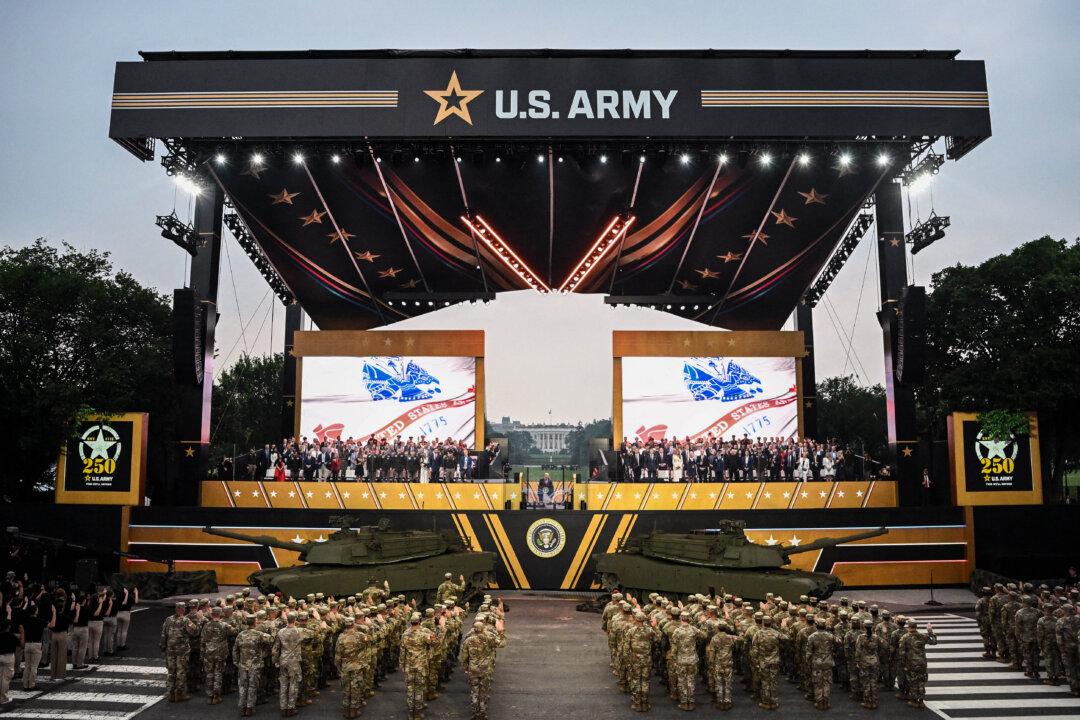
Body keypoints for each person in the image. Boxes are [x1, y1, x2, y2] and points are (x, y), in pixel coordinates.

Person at [272, 611, 311, 717]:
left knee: (283, 685)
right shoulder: (299, 631)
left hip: (283, 661)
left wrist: (275, 661)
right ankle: (291, 707)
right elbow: (313, 635)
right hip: (294, 662)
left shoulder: (280, 632)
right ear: (295, 620)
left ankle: (283, 707)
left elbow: (275, 650)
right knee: (293, 684)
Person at [400, 611, 437, 720]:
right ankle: (418, 713)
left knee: (411, 689)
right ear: (420, 622)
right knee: (420, 688)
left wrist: (402, 664)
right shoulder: (424, 634)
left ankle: (411, 712)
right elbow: (435, 643)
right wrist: (433, 635)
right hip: (421, 665)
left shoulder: (405, 634)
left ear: (410, 622)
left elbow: (402, 651)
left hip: (409, 666)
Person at [234, 613, 271, 717]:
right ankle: (250, 708)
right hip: (255, 665)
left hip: (242, 665)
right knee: (252, 686)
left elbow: (235, 649)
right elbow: (271, 639)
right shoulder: (259, 634)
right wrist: (264, 653)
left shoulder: (240, 635)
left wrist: (237, 662)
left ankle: (242, 707)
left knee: (242, 687)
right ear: (255, 622)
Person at [161, 601, 197, 702]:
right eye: (184, 608)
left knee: (171, 671)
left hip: (170, 650)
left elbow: (163, 635)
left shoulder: (168, 619)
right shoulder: (186, 620)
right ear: (182, 609)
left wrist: (163, 646)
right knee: (181, 672)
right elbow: (194, 632)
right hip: (182, 651)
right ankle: (179, 694)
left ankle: (171, 693)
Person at [898, 619, 935, 708]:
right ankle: (921, 701)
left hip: (911, 664)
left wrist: (903, 665)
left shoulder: (904, 638)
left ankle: (914, 701)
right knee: (921, 682)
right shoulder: (922, 636)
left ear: (908, 626)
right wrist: (930, 632)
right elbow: (934, 642)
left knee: (913, 682)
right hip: (922, 663)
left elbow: (901, 653)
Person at [806, 616, 835, 710]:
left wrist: (808, 662)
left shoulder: (811, 637)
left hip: (816, 662)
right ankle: (826, 701)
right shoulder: (830, 636)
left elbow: (809, 652)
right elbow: (838, 642)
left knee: (818, 682)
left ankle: (819, 702)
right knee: (827, 682)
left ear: (816, 625)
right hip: (828, 661)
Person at [19, 602, 46, 690]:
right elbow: (52, 625)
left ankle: (25, 684)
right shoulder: (40, 621)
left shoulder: (25, 621)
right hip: (36, 644)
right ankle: (31, 684)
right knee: (34, 666)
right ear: (35, 612)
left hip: (27, 644)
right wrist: (53, 613)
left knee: (27, 665)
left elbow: (21, 630)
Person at [47, 595, 70, 681]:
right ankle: (61, 674)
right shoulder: (65, 616)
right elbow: (71, 621)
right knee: (62, 655)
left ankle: (53, 674)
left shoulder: (52, 616)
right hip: (62, 634)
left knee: (53, 656)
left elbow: (50, 626)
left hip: (54, 635)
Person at [0, 616, 17, 706]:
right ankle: (3, 698)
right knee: (6, 678)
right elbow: (21, 644)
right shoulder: (11, 636)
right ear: (9, 627)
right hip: (8, 657)